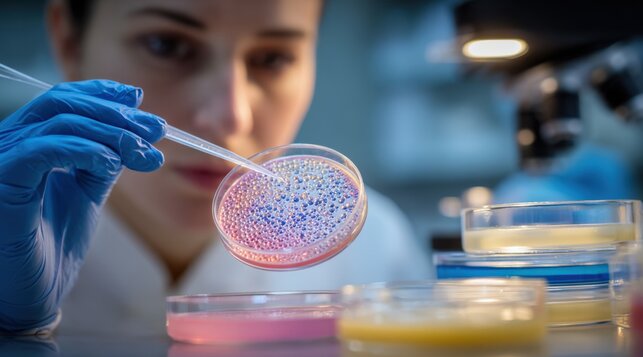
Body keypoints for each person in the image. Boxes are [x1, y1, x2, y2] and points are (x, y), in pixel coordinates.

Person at [0, 0, 430, 336]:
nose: (231, 117)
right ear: (68, 41)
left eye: (274, 58)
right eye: (167, 45)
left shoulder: (376, 249)